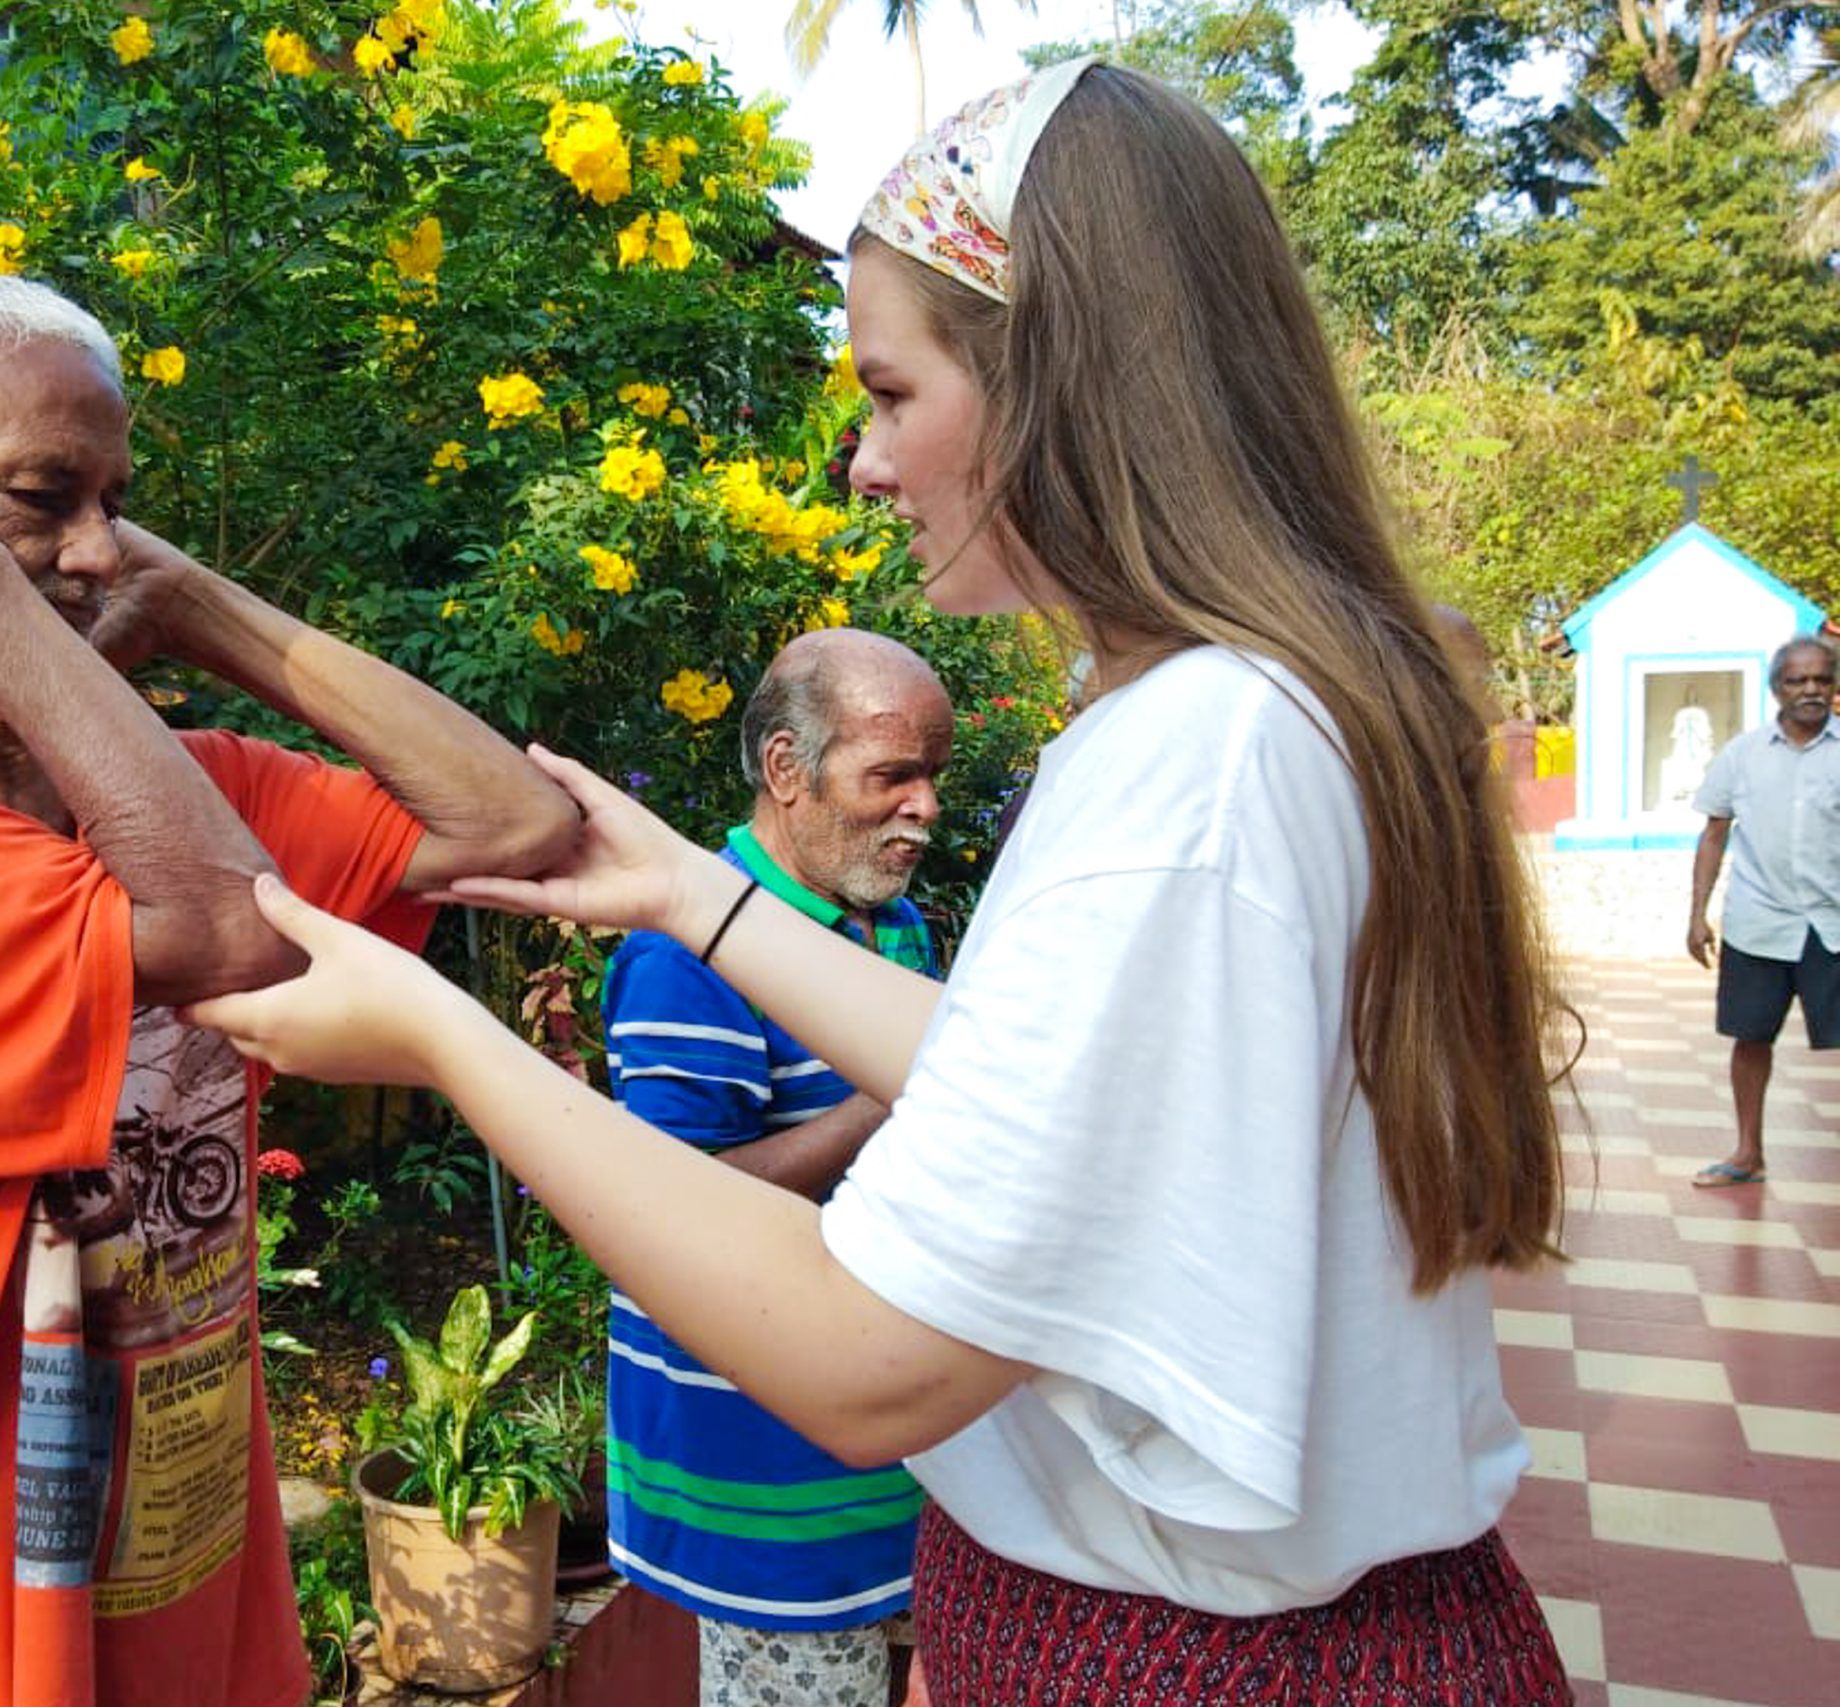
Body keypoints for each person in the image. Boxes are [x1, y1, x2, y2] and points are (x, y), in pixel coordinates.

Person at [186, 59, 1575, 1703]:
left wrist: (437, 1037)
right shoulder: (1263, 706)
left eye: (893, 393)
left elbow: (866, 1356)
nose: (862, 461)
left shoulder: (1190, 765)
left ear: (1060, 374)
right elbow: (1040, 1101)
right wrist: (698, 898)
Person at [0, 266, 576, 1707]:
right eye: (41, 493)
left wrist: (193, 599)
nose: (94, 550)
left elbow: (512, 826)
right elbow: (226, 926)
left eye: (116, 500)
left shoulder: (172, 790)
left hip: (190, 1562)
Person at [602, 629, 948, 1705]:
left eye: (933, 777)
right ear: (787, 774)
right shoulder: (681, 952)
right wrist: (887, 1099)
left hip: (889, 1446)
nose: (924, 806)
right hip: (764, 1479)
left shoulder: (897, 930)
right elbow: (665, 1212)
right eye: (892, 774)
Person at [1684, 634, 1840, 1187]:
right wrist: (1698, 914)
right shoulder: (1743, 754)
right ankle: (1747, 1153)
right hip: (1759, 923)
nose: (1811, 690)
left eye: (1821, 679)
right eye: (1798, 680)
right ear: (1777, 688)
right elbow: (1714, 833)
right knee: (1751, 1039)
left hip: (1832, 927)